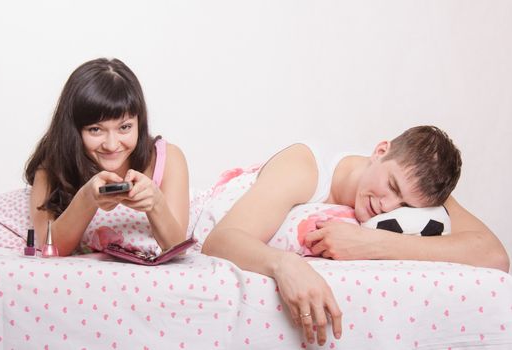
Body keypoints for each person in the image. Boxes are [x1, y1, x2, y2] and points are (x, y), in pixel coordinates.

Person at [198, 125, 510, 346]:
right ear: (380, 151)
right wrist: (285, 266)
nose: (387, 206)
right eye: (392, 186)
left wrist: (372, 244)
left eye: (404, 206)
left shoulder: (418, 189)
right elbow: (221, 240)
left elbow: (493, 255)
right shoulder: (306, 169)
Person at [25, 58, 189, 256]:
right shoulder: (51, 167)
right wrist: (87, 198)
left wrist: (155, 203)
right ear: (74, 131)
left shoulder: (167, 158)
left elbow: (178, 250)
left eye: (125, 127)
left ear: (139, 122)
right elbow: (51, 249)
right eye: (95, 130)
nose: (112, 145)